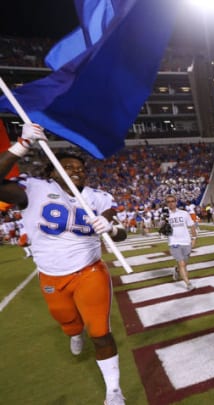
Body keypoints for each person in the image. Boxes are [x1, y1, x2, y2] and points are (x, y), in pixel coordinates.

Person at [0, 123, 128, 405]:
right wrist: (21, 145)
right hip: (51, 275)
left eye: (81, 168)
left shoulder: (98, 197)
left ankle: (114, 392)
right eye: (68, 167)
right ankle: (73, 331)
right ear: (51, 172)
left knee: (101, 332)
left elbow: (120, 231)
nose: (77, 171)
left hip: (89, 270)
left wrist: (110, 226)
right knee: (68, 323)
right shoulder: (33, 189)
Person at [165, 194, 198, 290]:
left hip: (186, 241)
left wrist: (194, 238)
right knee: (182, 264)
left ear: (176, 202)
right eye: (168, 202)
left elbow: (192, 226)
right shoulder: (165, 215)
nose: (171, 203)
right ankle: (188, 284)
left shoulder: (184, 213)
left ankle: (176, 270)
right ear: (167, 204)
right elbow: (163, 230)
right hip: (174, 242)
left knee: (184, 263)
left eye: (172, 201)